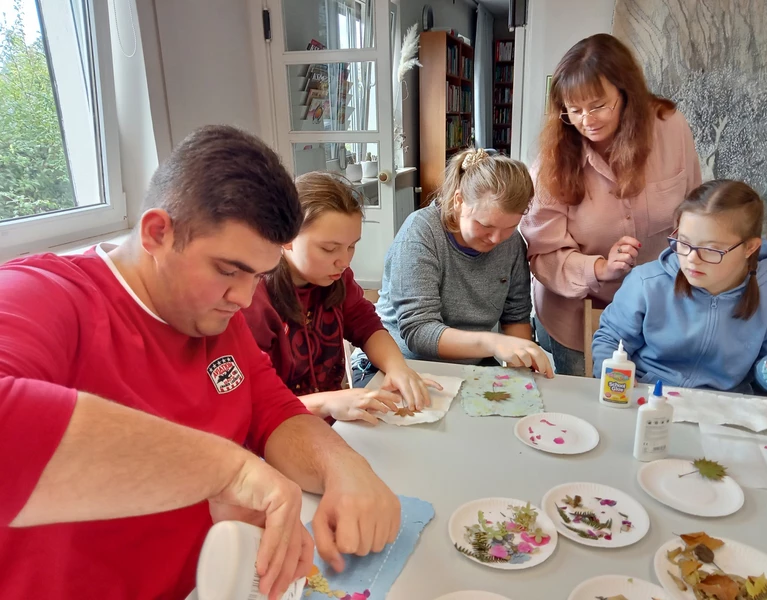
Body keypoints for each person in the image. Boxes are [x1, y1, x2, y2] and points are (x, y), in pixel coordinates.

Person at [0, 125, 400, 600]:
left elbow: (273, 412)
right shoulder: (41, 294)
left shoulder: (213, 315)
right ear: (157, 232)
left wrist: (343, 466)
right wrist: (232, 472)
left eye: (259, 275)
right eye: (229, 270)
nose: (244, 296)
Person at [520, 33, 702, 376]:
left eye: (598, 105)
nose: (586, 120)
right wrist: (599, 268)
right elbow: (543, 255)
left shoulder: (671, 128)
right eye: (573, 110)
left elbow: (694, 212)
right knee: (586, 412)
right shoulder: (551, 164)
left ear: (625, 92)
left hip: (658, 314)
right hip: (575, 319)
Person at [243, 171, 439, 423]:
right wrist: (326, 401)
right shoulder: (253, 299)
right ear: (287, 238)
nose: (344, 261)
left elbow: (366, 325)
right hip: (275, 430)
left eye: (351, 245)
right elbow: (251, 399)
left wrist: (396, 367)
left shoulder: (336, 277)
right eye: (328, 248)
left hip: (331, 420)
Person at [592, 180, 767, 394]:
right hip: (648, 397)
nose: (692, 259)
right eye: (683, 242)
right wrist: (619, 379)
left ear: (750, 247)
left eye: (711, 250)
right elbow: (610, 339)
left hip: (724, 411)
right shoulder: (646, 282)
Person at [376, 148, 553, 374]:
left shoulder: (511, 243)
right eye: (485, 225)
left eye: (509, 227)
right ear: (459, 200)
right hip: (405, 367)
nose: (496, 239)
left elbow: (516, 316)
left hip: (473, 365)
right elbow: (418, 332)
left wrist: (523, 368)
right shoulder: (420, 234)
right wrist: (493, 343)